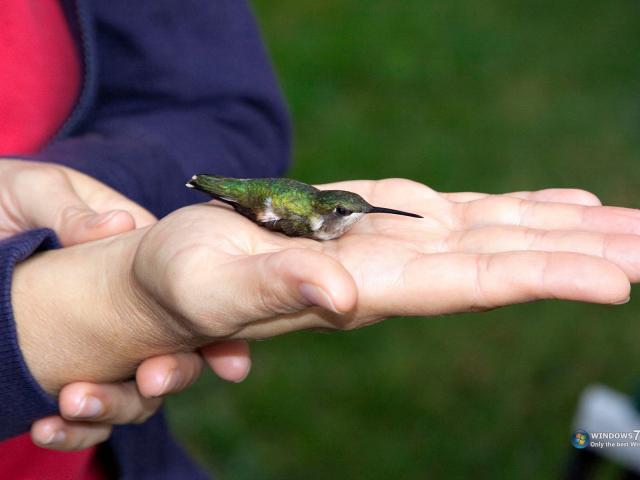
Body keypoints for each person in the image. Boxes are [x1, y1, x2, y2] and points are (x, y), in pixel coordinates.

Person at [2, 1, 640, 479]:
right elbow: (265, 208)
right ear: (321, 215)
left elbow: (220, 106)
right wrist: (105, 300)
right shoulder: (296, 217)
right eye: (343, 214)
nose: (352, 218)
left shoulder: (321, 209)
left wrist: (84, 203)